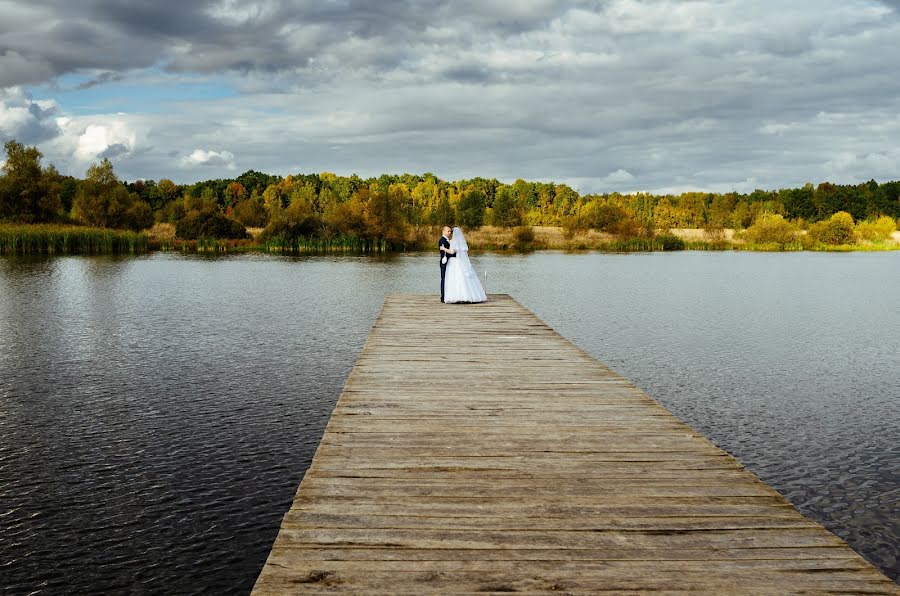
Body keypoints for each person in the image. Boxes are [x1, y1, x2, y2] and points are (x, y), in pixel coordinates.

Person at [443, 226, 487, 303]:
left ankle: (457, 296)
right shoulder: (462, 242)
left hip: (455, 261)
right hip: (462, 262)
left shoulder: (452, 241)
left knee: (455, 279)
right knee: (464, 278)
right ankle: (470, 295)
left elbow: (452, 252)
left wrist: (444, 249)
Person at [438, 226, 456, 303]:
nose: (450, 233)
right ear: (444, 231)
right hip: (444, 262)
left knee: (448, 279)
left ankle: (448, 295)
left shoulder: (448, 240)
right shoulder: (442, 240)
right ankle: (443, 297)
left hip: (450, 262)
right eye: (448, 231)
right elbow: (442, 249)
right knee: (444, 279)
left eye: (450, 231)